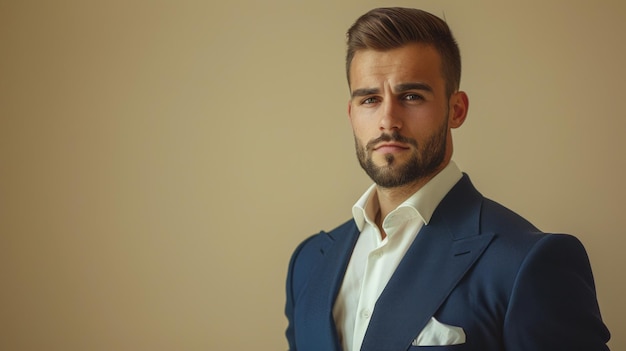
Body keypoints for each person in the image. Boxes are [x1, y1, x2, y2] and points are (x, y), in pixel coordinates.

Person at [284, 7, 610, 351]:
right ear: (352, 114)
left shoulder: (528, 263)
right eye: (370, 99)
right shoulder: (308, 264)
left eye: (411, 96)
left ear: (456, 110)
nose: (388, 120)